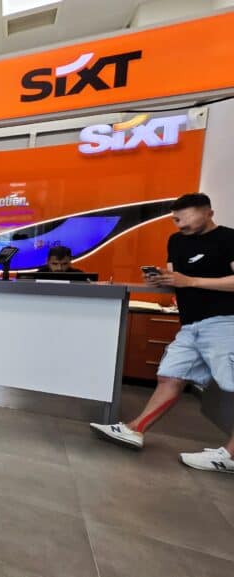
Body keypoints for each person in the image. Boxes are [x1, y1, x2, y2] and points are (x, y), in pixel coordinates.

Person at [91, 193, 234, 472]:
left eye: (184, 217)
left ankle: (229, 456)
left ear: (208, 212)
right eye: (175, 218)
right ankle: (135, 429)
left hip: (224, 322)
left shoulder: (229, 239)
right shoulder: (176, 241)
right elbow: (176, 279)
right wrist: (162, 280)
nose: (178, 224)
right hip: (191, 324)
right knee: (170, 376)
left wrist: (190, 280)